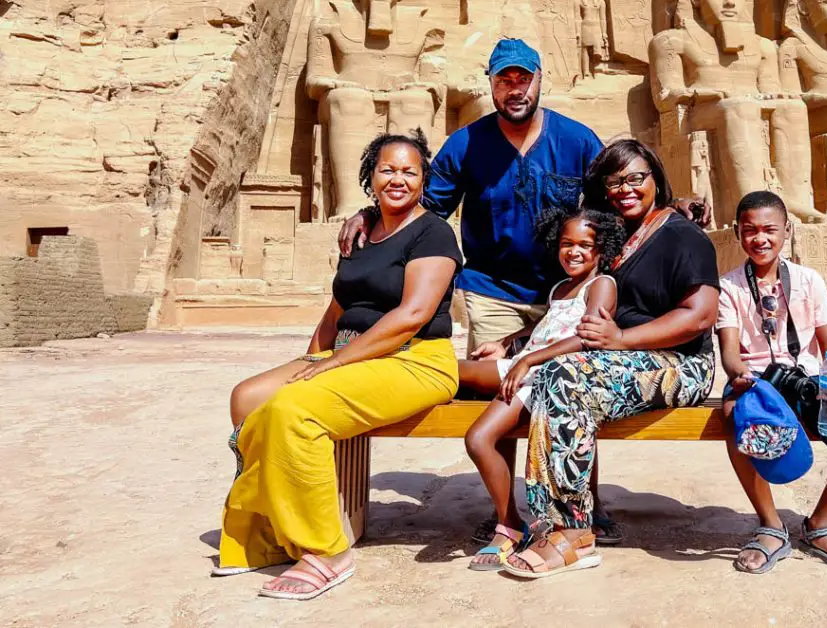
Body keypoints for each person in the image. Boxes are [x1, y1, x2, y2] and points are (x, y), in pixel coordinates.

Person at [338, 38, 637, 547]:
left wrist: (673, 210)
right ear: (492, 85)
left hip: (564, 290)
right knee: (502, 393)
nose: (515, 89)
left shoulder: (578, 140)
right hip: (493, 289)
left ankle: (586, 502)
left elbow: (615, 200)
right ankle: (507, 510)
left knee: (574, 394)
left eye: (524, 78)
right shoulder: (465, 144)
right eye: (505, 80)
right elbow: (421, 203)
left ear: (540, 80)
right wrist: (367, 213)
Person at [216, 130, 463, 601]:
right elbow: (339, 305)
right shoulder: (363, 231)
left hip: (414, 359)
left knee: (293, 411)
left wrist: (333, 366)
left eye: (410, 171)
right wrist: (314, 356)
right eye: (387, 169)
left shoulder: (434, 232)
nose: (398, 179)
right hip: (352, 352)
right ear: (370, 176)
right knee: (248, 397)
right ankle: (271, 531)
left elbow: (410, 316)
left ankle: (326, 551)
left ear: (423, 180)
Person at [503, 139, 720, 578]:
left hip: (681, 364)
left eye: (636, 178)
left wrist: (621, 338)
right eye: (614, 181)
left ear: (655, 178)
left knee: (565, 376)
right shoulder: (615, 239)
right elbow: (578, 314)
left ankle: (574, 533)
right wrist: (516, 342)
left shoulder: (683, 235)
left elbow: (699, 316)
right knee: (555, 374)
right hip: (620, 359)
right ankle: (554, 521)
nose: (625, 188)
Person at [716, 190, 827, 574]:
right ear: (738, 233)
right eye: (750, 230)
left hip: (808, 378)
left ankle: (820, 524)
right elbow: (729, 350)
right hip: (757, 381)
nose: (760, 239)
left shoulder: (809, 281)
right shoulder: (729, 286)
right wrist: (739, 375)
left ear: (786, 231)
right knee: (734, 419)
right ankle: (771, 527)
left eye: (769, 230)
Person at [458, 207, 624, 569]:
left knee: (460, 380)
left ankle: (513, 527)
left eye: (585, 244)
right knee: (476, 432)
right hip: (528, 371)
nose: (574, 251)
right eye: (567, 243)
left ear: (601, 250)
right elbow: (544, 331)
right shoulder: (561, 288)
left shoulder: (602, 285)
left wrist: (528, 360)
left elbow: (587, 337)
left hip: (552, 379)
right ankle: (509, 522)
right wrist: (507, 344)